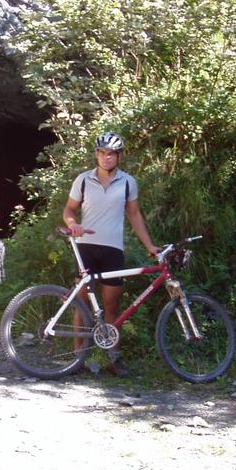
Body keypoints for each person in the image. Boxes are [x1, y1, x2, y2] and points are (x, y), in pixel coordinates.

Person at [62, 132, 159, 377]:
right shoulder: (83, 180)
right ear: (96, 154)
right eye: (102, 153)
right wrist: (72, 223)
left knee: (112, 306)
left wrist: (149, 246)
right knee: (81, 304)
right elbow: (70, 209)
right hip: (86, 247)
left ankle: (114, 359)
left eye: (111, 154)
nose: (106, 158)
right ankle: (77, 359)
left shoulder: (128, 182)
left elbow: (134, 215)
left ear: (118, 156)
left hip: (113, 249)